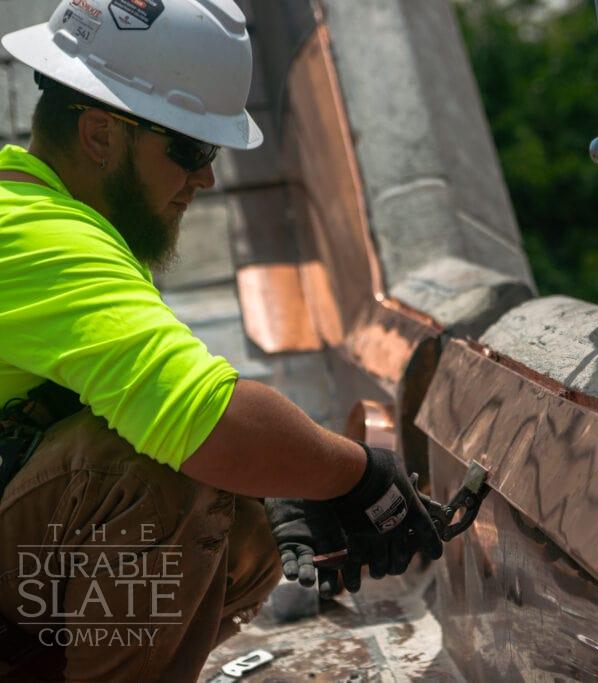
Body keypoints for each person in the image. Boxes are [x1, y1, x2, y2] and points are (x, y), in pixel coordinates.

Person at [0, 1, 442, 680]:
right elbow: (209, 418)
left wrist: (286, 480)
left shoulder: (46, 218)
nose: (205, 178)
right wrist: (356, 475)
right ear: (98, 134)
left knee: (244, 493)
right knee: (156, 466)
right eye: (191, 148)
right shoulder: (34, 235)